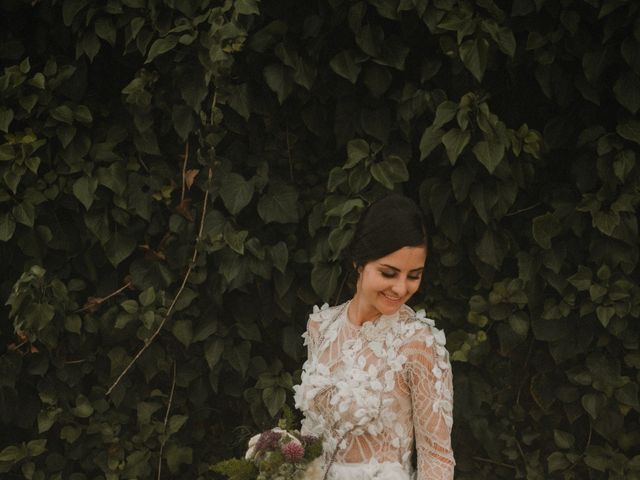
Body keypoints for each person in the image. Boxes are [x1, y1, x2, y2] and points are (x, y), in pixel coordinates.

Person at [293, 194, 455, 480]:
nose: (401, 288)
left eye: (413, 275)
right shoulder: (321, 326)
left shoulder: (418, 343)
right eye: (389, 273)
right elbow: (313, 431)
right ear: (359, 261)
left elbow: (437, 459)